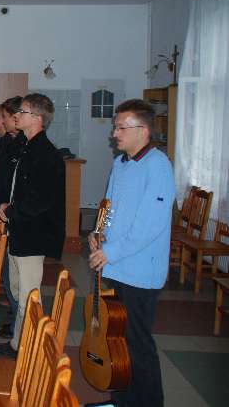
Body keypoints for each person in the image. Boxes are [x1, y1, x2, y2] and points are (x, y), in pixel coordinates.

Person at [88, 99, 175, 407]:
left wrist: (111, 251)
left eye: (121, 127)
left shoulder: (158, 166)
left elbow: (150, 224)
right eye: (115, 127)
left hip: (139, 271)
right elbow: (109, 206)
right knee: (117, 343)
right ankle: (122, 400)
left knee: (138, 345)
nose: (115, 133)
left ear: (143, 130)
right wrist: (98, 234)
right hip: (116, 266)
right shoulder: (121, 163)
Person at [0, 93, 65, 358]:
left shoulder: (46, 154)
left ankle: (24, 349)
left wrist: (10, 211)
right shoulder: (27, 146)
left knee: (29, 296)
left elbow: (40, 200)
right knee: (16, 289)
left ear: (37, 118)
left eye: (22, 112)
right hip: (19, 230)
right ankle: (20, 340)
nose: (16, 116)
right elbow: (19, 188)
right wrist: (7, 206)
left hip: (33, 234)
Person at [0, 96, 26, 340]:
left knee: (16, 279)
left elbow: (15, 185)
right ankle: (15, 322)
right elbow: (1, 178)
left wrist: (0, 207)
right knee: (10, 276)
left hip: (14, 217)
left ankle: (18, 328)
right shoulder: (8, 142)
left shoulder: (21, 144)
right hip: (4, 211)